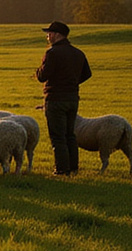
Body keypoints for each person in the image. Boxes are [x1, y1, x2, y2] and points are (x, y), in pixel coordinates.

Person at [34, 21, 91, 176]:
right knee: (70, 134)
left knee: (58, 136)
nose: (47, 36)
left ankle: (61, 169)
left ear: (57, 35)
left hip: (55, 99)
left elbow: (43, 76)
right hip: (73, 98)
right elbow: (87, 74)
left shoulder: (52, 53)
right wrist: (71, 83)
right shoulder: (78, 53)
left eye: (49, 33)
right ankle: (73, 168)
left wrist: (38, 71)